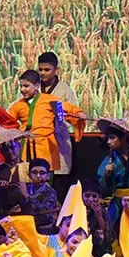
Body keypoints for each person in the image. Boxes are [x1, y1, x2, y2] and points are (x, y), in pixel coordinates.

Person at [34, 52, 87, 186]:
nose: (43, 73)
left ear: (56, 69)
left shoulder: (64, 90)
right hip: (38, 139)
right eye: (40, 69)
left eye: (47, 70)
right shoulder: (33, 88)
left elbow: (71, 114)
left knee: (58, 180)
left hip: (58, 138)